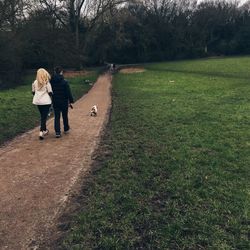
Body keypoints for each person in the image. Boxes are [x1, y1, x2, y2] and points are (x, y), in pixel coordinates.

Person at [50, 66, 74, 138]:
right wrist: (71, 100)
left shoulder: (51, 82)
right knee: (64, 115)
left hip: (55, 101)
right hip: (64, 101)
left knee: (57, 116)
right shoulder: (65, 82)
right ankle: (66, 128)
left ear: (55, 72)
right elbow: (68, 92)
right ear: (61, 72)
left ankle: (57, 132)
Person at [32, 68, 53, 140]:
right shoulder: (47, 82)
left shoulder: (34, 82)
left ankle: (44, 130)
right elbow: (50, 93)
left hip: (38, 101)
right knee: (44, 117)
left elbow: (33, 92)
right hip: (46, 102)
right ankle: (41, 131)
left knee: (42, 116)